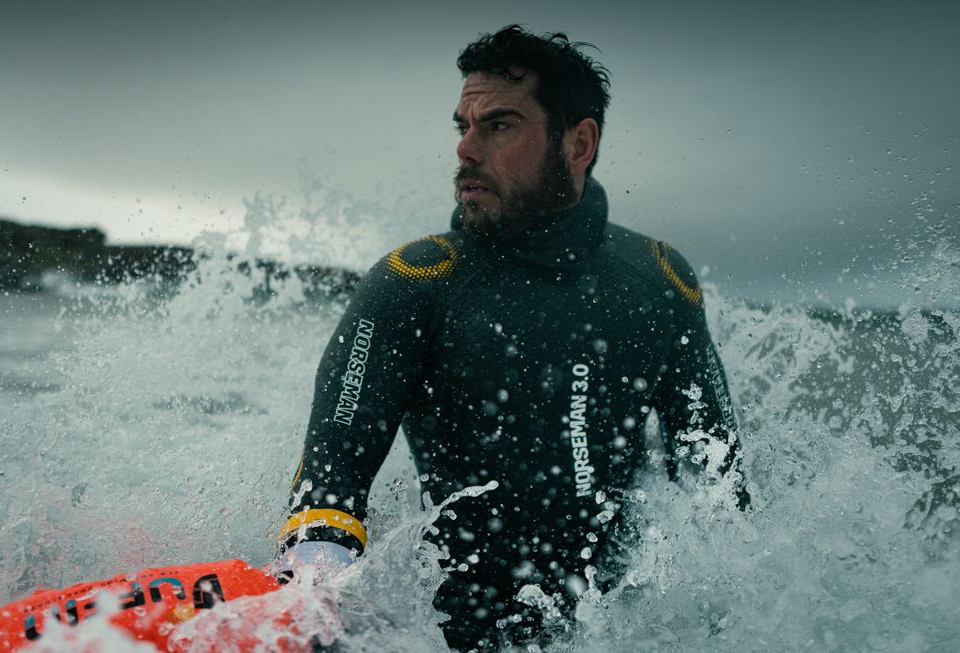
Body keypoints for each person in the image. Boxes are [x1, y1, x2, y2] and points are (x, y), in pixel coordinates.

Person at [277, 25, 749, 652]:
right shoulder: (415, 283)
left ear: (579, 143)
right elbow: (330, 484)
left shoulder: (657, 280)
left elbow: (720, 490)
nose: (466, 151)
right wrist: (312, 600)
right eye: (462, 127)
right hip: (448, 638)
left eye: (498, 125)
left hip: (628, 634)